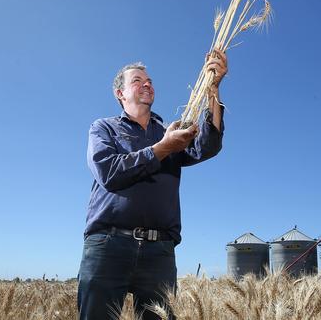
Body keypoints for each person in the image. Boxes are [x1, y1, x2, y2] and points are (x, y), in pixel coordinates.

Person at [77, 50, 228, 320]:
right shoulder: (104, 128)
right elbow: (109, 171)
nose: (147, 83)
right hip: (108, 245)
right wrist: (162, 149)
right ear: (120, 94)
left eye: (149, 80)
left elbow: (208, 146)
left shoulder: (171, 130)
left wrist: (212, 90)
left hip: (159, 250)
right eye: (137, 80)